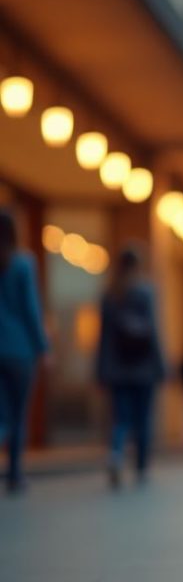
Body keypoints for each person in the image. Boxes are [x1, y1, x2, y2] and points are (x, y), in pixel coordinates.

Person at [95, 246, 165, 488]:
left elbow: (103, 338)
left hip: (117, 369)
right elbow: (153, 332)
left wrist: (101, 370)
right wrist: (160, 365)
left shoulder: (110, 295)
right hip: (143, 369)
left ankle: (116, 453)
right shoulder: (145, 291)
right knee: (143, 418)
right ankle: (141, 466)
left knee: (120, 418)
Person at [0, 210, 50, 495]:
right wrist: (43, 347)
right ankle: (14, 476)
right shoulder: (22, 263)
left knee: (2, 415)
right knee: (17, 416)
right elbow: (31, 310)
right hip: (19, 351)